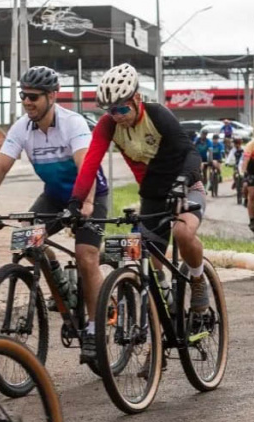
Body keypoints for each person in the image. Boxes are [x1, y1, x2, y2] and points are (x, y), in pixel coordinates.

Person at [0, 66, 107, 361]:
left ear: (52, 96)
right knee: (27, 240)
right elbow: (0, 167)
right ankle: (62, 289)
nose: (27, 102)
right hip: (54, 197)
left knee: (86, 256)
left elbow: (85, 166)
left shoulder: (72, 123)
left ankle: (94, 328)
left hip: (90, 195)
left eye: (33, 97)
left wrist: (86, 204)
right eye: (23, 96)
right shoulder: (21, 128)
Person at [69, 63, 211, 312]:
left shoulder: (157, 115)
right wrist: (76, 201)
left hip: (186, 187)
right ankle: (166, 310)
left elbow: (191, 153)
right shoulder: (109, 125)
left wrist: (182, 182)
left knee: (182, 233)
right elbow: (90, 164)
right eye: (112, 110)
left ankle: (198, 280)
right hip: (152, 196)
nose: (118, 116)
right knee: (150, 268)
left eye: (123, 108)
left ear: (136, 99)